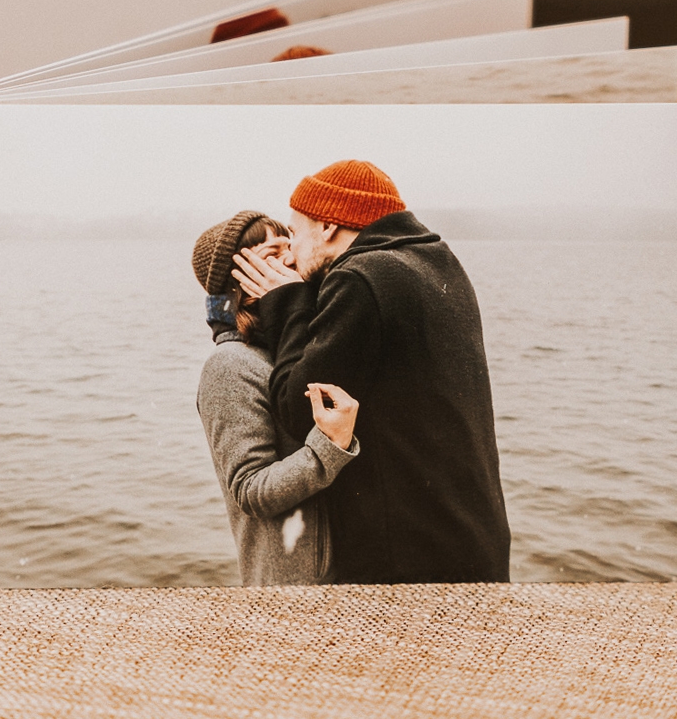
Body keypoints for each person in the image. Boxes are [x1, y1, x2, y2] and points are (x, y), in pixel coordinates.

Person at [231, 160, 511, 584]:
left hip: (410, 558)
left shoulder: (361, 278)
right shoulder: (438, 262)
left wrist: (287, 303)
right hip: (474, 538)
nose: (289, 253)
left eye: (294, 232)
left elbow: (300, 410)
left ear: (327, 226)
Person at [192, 210, 360, 586]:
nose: (291, 258)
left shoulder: (297, 349)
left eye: (290, 246)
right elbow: (250, 490)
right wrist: (331, 446)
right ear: (239, 282)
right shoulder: (230, 364)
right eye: (272, 254)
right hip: (295, 589)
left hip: (347, 576)